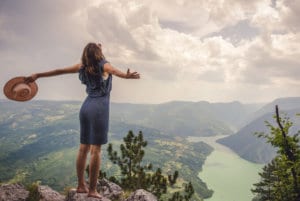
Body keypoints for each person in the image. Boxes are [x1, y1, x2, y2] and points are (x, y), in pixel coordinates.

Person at [25, 42, 140, 199]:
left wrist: (37, 75)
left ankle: (80, 185)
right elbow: (112, 69)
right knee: (96, 150)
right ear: (99, 53)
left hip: (85, 107)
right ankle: (92, 190)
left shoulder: (82, 65)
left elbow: (59, 71)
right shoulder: (103, 64)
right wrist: (126, 76)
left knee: (83, 148)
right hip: (98, 109)